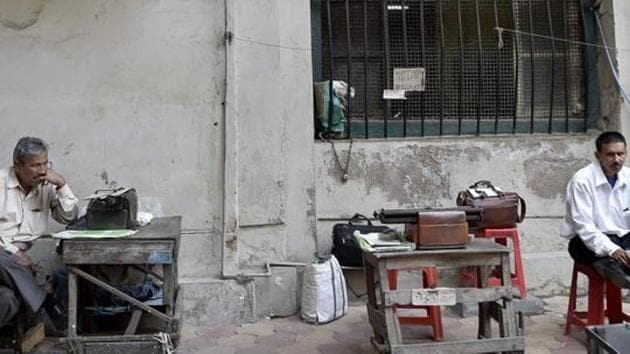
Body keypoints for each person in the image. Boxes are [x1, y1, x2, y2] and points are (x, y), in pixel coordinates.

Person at [0, 137, 78, 335]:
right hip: (6, 254)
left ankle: (38, 307)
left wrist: (61, 184)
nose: (43, 170)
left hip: (11, 269)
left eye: (45, 164)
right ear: (17, 166)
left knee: (7, 299)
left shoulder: (46, 184)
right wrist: (14, 251)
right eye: (35, 165)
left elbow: (68, 217)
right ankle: (45, 304)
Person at [561, 131, 630, 288]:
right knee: (585, 248)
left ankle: (617, 267)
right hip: (587, 240)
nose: (617, 160)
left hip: (623, 237)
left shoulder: (628, 176)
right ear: (598, 155)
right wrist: (613, 249)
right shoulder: (582, 180)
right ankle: (612, 267)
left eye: (620, 154)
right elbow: (584, 227)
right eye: (610, 155)